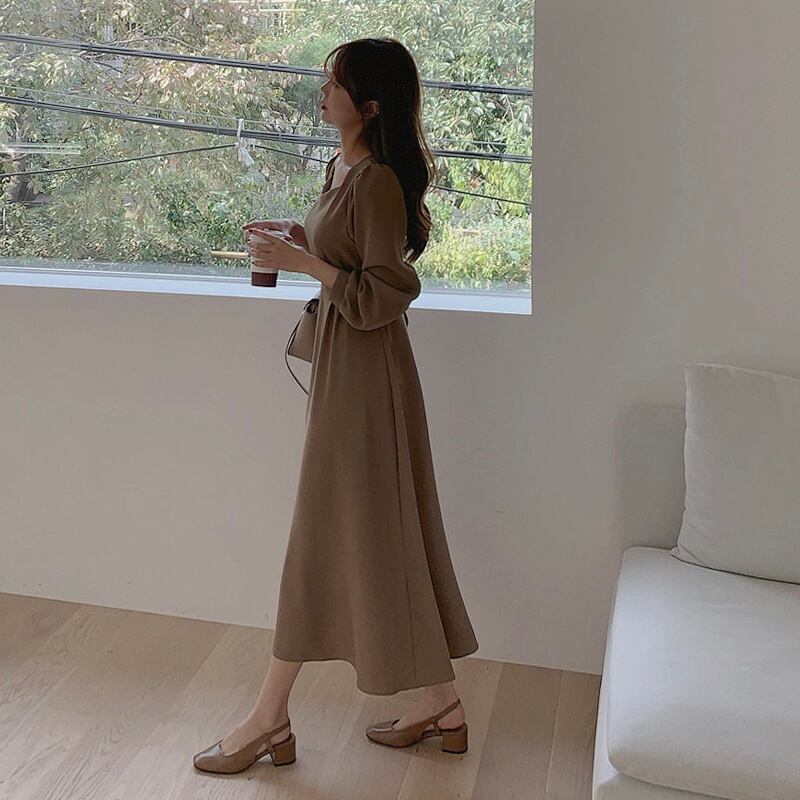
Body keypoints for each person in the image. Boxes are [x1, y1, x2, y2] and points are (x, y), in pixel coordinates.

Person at [193, 37, 479, 775]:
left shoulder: (376, 180)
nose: (322, 91)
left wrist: (302, 262)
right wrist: (302, 242)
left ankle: (268, 718)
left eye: (336, 82)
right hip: (345, 370)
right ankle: (440, 703)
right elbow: (349, 260)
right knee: (370, 533)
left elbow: (387, 291)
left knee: (323, 536)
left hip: (367, 377)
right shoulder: (345, 170)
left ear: (370, 104)